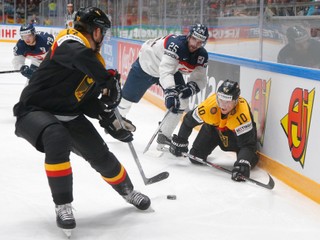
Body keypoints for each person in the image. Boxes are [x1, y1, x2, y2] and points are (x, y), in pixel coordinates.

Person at [12, 6, 150, 235]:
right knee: (57, 137)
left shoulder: (93, 61)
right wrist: (107, 79)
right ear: (95, 31)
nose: (103, 37)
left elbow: (85, 100)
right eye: (102, 32)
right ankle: (63, 205)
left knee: (101, 156)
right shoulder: (68, 40)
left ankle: (128, 191)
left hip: (69, 113)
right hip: (34, 110)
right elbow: (79, 57)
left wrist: (110, 120)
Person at [118, 23, 209, 150]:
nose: (195, 44)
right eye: (194, 39)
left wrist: (190, 89)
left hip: (169, 69)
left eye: (200, 42)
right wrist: (170, 91)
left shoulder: (201, 55)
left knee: (182, 100)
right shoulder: (176, 44)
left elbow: (200, 78)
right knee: (126, 99)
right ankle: (116, 122)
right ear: (189, 36)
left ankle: (164, 135)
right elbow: (165, 70)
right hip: (147, 65)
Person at [169, 80, 259, 182]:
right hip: (214, 130)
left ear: (236, 101)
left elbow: (248, 145)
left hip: (236, 138)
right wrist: (181, 140)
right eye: (220, 100)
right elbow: (188, 121)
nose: (223, 106)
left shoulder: (242, 115)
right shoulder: (209, 106)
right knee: (195, 156)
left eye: (227, 102)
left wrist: (243, 162)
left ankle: (246, 159)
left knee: (250, 162)